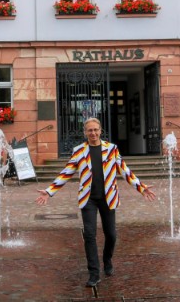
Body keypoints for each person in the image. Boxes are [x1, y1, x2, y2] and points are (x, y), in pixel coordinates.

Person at [35, 117, 157, 287]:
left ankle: (107, 259)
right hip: (88, 199)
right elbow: (66, 173)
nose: (93, 133)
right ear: (85, 132)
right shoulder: (79, 151)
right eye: (89, 130)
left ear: (100, 131)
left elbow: (125, 171)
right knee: (89, 235)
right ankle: (94, 272)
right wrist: (49, 191)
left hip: (108, 198)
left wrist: (141, 187)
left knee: (111, 235)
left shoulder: (111, 149)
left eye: (95, 130)